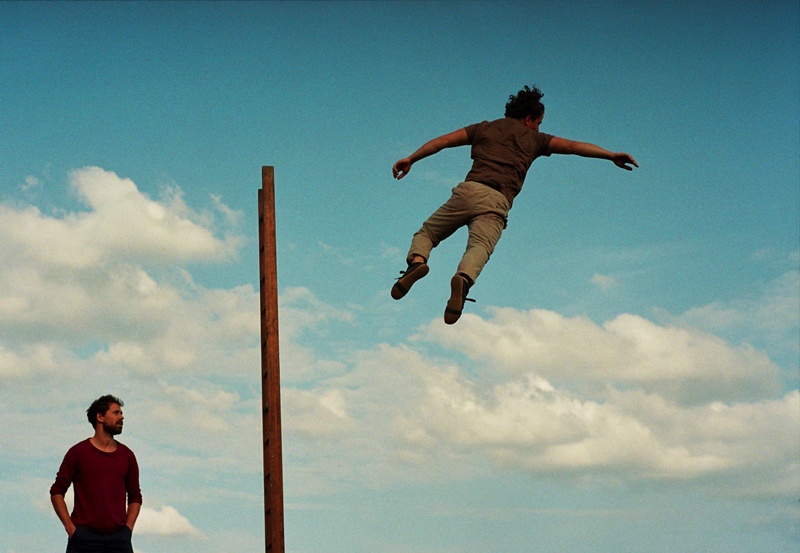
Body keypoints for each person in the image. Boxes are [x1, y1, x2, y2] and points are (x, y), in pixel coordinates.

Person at [390, 85, 638, 324]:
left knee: (427, 233)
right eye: (539, 123)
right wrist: (610, 155)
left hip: (469, 191)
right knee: (479, 247)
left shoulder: (483, 128)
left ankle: (417, 263)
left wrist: (412, 158)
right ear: (529, 119)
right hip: (497, 202)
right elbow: (574, 147)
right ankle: (463, 280)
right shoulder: (535, 139)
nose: (539, 128)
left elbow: (443, 141)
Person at [50, 395, 142, 553]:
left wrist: (128, 529)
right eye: (116, 413)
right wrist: (71, 529)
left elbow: (135, 496)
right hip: (83, 539)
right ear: (100, 417)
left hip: (118, 540)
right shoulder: (77, 453)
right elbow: (57, 492)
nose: (122, 417)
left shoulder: (127, 456)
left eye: (121, 413)